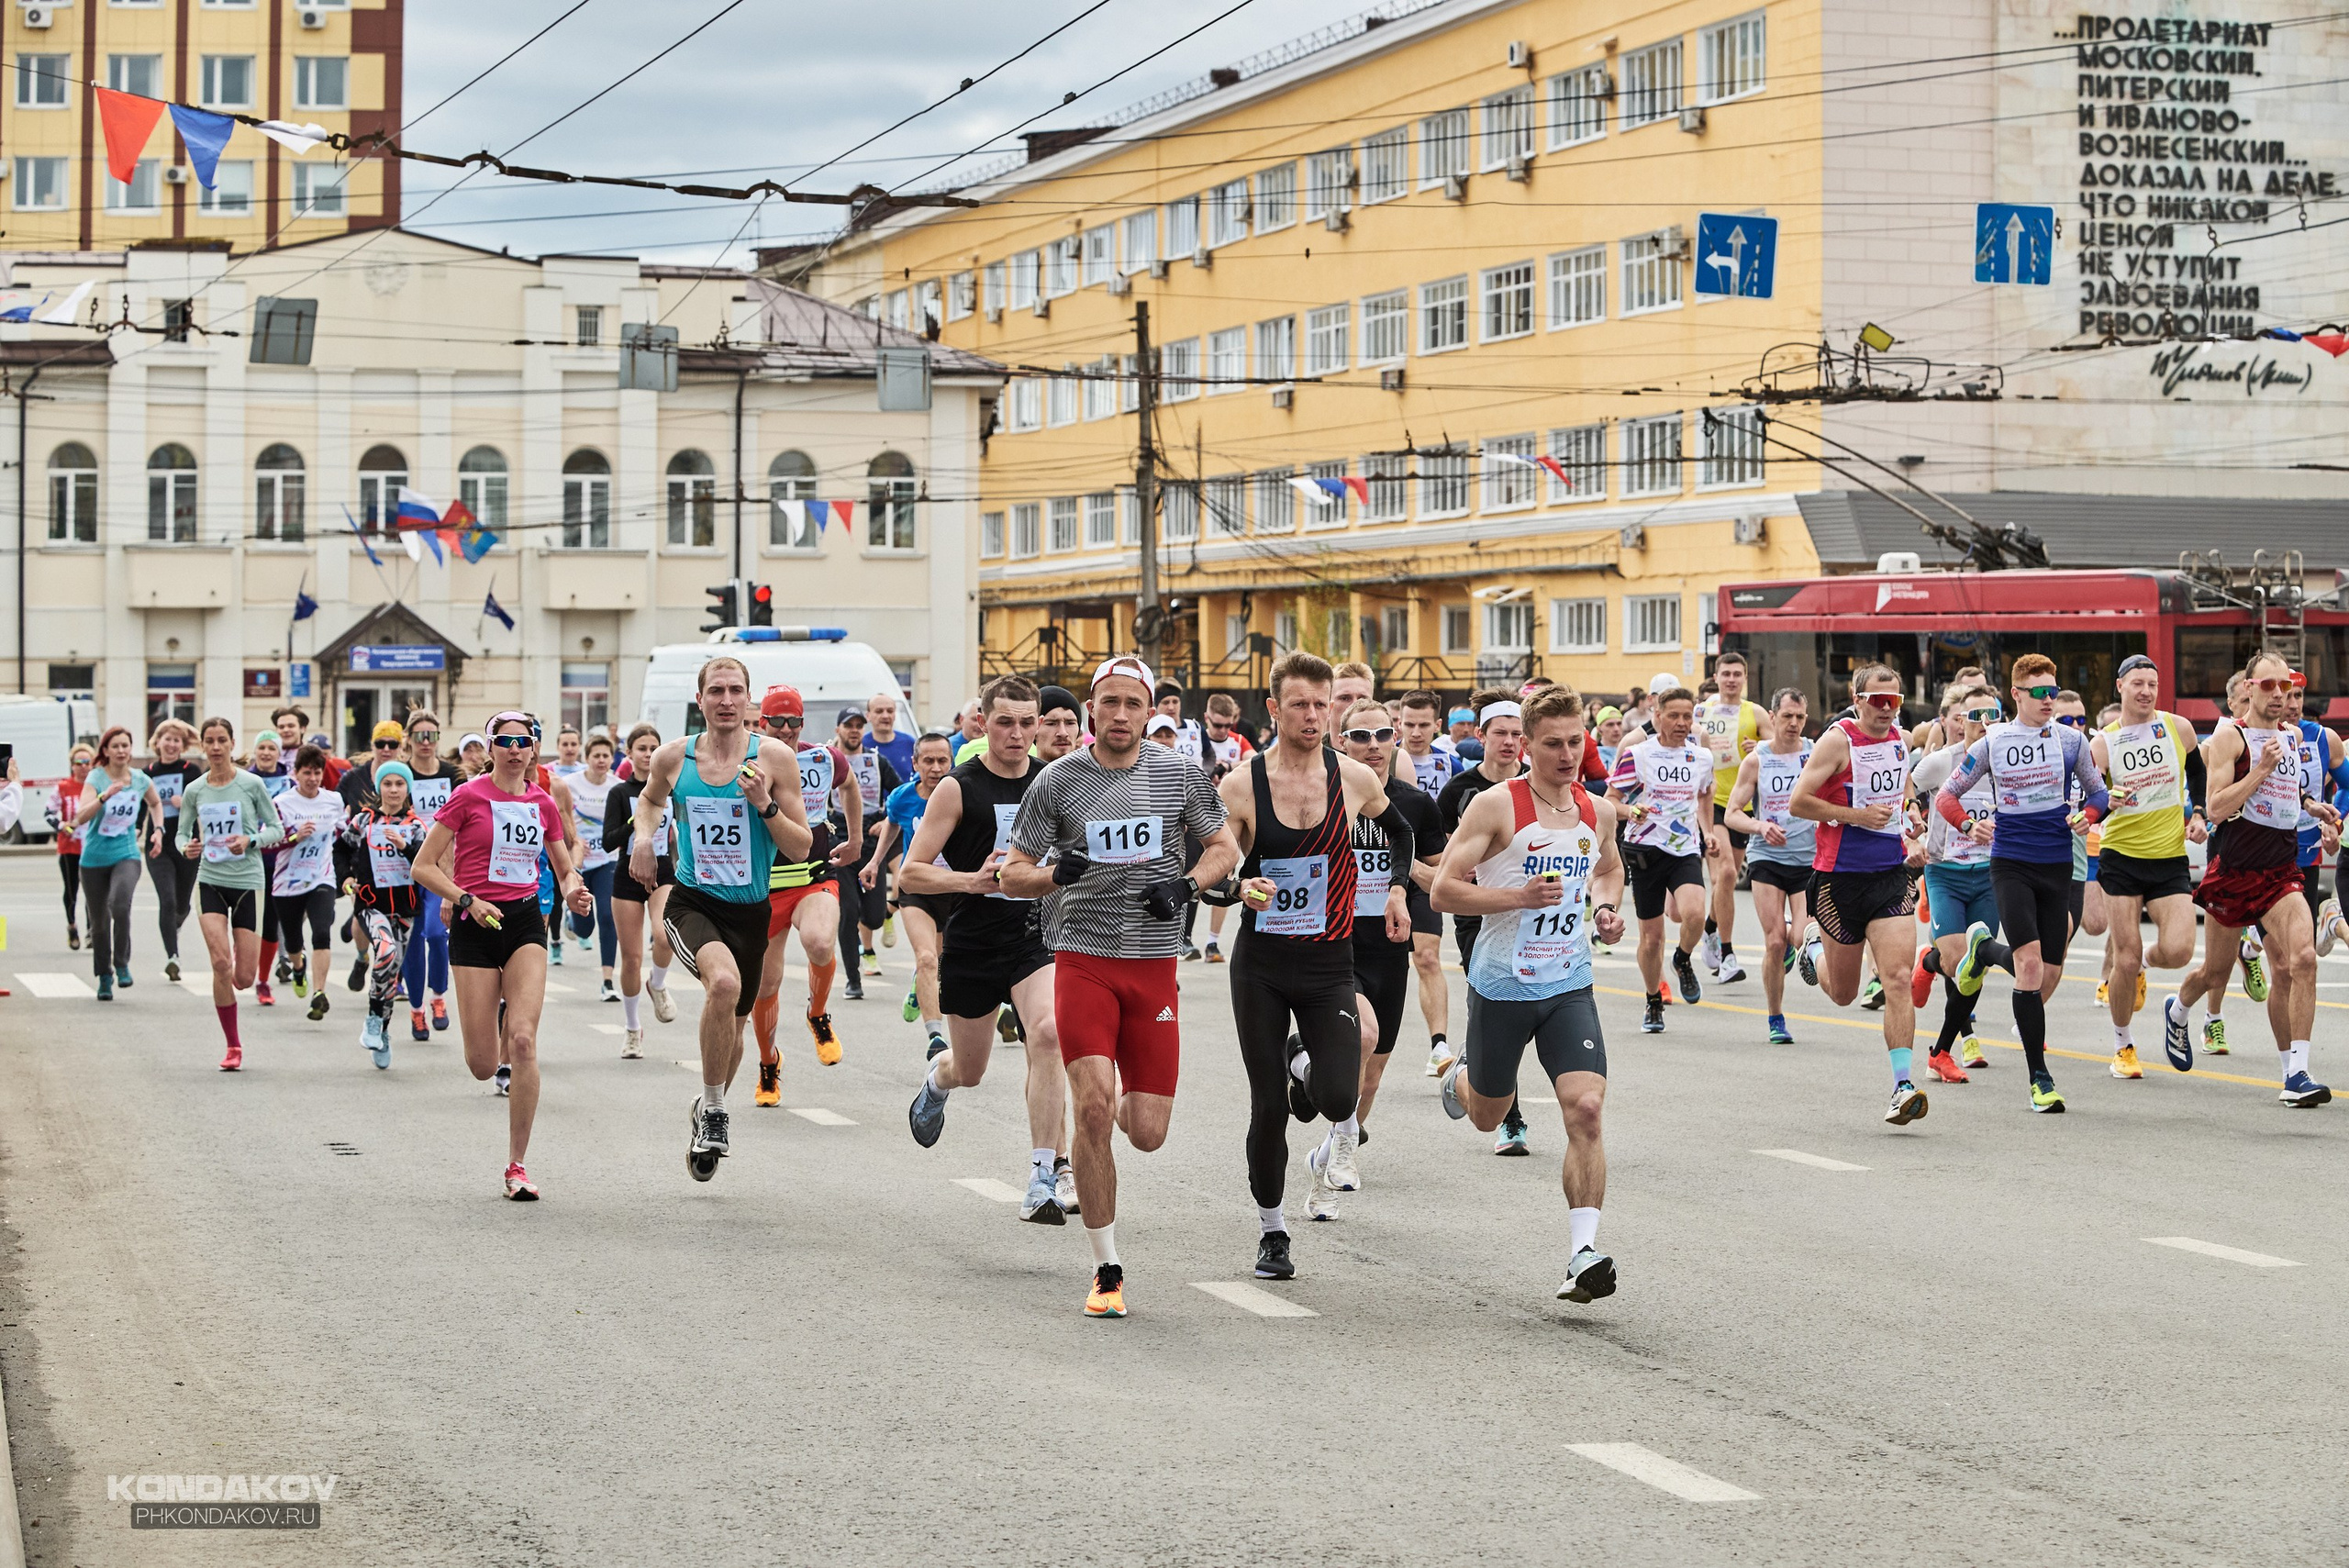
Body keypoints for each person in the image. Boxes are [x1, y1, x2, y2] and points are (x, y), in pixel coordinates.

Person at [999, 654, 1240, 1318]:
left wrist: (1187, 884)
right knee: (1096, 1109)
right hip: (1083, 959)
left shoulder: (1179, 774)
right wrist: (1055, 874)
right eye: (1110, 703)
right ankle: (1107, 1266)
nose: (1123, 715)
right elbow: (1011, 871)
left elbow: (1225, 848)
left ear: (1150, 710)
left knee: (1149, 1131)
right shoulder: (1058, 781)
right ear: (1091, 711)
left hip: (1154, 964)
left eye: (1135, 704)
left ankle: (1115, 1105)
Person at [1215, 654, 1412, 1274]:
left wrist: (1401, 888)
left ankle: (1307, 1065)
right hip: (1262, 964)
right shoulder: (1242, 784)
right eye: (1300, 703)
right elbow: (1214, 866)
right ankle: (1273, 1231)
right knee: (1268, 1102)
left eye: (1322, 704)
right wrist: (1235, 889)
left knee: (1335, 1093)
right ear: (1274, 709)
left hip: (1330, 959)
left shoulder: (1352, 777)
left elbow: (1401, 834)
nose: (1312, 715)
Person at [1433, 683, 1629, 1305]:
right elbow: (1442, 891)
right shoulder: (1496, 806)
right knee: (1489, 1112)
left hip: (1569, 982)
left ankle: (1583, 1251)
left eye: (1577, 741)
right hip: (1500, 984)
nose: (1568, 754)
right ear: (1526, 744)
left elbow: (1609, 865)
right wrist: (1517, 896)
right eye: (1553, 743)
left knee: (1587, 1110)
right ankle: (1459, 1081)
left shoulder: (1597, 809)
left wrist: (1605, 910)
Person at [901, 678, 1078, 1224]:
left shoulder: (1057, 782)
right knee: (970, 1069)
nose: (1020, 734)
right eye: (1007, 722)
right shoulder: (959, 788)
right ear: (982, 721)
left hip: (1035, 935)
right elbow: (911, 872)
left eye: (1030, 722)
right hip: (974, 942)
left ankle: (1044, 1175)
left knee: (1048, 1035)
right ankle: (938, 1079)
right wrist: (972, 883)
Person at [630, 659, 811, 1179]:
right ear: (701, 698)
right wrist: (644, 839)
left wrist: (765, 806)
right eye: (717, 691)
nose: (726, 700)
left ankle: (707, 1106)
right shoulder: (673, 757)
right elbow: (648, 803)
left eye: (736, 691)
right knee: (724, 984)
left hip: (751, 909)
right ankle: (714, 1110)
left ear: (749, 700)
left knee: (734, 1036)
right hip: (693, 902)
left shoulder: (773, 758)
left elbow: (799, 850)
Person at [415, 713, 594, 1199]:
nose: (515, 749)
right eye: (505, 741)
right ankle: (496, 1010)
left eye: (524, 741)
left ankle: (517, 1165)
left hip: (523, 921)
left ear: (534, 749)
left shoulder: (542, 802)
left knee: (523, 1042)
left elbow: (563, 867)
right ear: (491, 748)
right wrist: (466, 899)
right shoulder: (468, 796)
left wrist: (575, 891)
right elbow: (423, 866)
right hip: (475, 924)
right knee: (480, 1065)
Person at [1937, 654, 2111, 1114]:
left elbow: (2099, 793)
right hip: (2011, 863)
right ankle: (2039, 1078)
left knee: (2049, 971)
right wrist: (1969, 826)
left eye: (2053, 691)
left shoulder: (2072, 741)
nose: (2049, 700)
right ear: (2016, 694)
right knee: (2030, 967)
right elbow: (1945, 796)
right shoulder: (1994, 741)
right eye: (2039, 692)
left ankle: (1982, 953)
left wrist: (2088, 815)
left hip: (2058, 866)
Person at [2160, 651, 2331, 1106]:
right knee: (2215, 973)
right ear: (2249, 690)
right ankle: (2178, 1010)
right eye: (2269, 686)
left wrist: (2314, 808)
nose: (2280, 695)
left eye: (2287, 686)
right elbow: (2214, 808)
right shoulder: (2229, 736)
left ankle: (2297, 1073)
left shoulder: (2291, 737)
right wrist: (2259, 770)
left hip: (2281, 872)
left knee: (2303, 960)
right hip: (2235, 870)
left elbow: (2289, 794)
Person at [1789, 665, 1932, 1127]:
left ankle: (1902, 1085)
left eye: (1895, 701)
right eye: (1877, 700)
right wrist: (1854, 816)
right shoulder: (1837, 741)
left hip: (1889, 875)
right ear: (1857, 697)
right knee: (1844, 995)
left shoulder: (1900, 739)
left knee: (1896, 978)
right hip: (1838, 880)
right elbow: (1798, 802)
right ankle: (1814, 947)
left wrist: (1910, 811)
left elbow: (1903, 783)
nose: (1886, 709)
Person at [1333, 698, 1444, 1192]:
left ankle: (1345, 1138)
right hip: (1335, 940)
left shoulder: (1416, 805)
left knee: (1374, 1070)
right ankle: (1339, 1147)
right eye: (1361, 736)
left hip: (1389, 943)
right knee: (1363, 1035)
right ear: (1342, 742)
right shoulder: (1324, 795)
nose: (1373, 745)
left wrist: (1407, 871)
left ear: (1395, 737)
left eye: (1382, 734)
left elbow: (1441, 875)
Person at [2089, 656, 2208, 1078]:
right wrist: (2106, 803)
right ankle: (2123, 1045)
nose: (2146, 691)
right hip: (2121, 856)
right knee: (2124, 957)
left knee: (2179, 950)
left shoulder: (2178, 728)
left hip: (2168, 855)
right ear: (2120, 686)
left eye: (2152, 684)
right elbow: (2088, 803)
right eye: (2137, 683)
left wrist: (2199, 814)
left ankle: (2142, 967)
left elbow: (2197, 772)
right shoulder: (2104, 742)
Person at [748, 684, 860, 1106]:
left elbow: (848, 787)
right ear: (763, 723)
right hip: (763, 887)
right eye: (778, 721)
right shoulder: (747, 761)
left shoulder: (822, 757)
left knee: (818, 941)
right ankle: (768, 1064)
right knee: (766, 985)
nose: (788, 730)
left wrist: (852, 840)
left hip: (813, 875)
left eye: (795, 721)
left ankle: (817, 1013)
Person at [1436, 691, 1533, 1149]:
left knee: (1530, 1009)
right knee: (1492, 1005)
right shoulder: (1460, 791)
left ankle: (1469, 1067)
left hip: (1532, 916)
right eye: (1502, 734)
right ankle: (1509, 1116)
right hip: (1477, 914)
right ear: (1482, 737)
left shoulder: (1538, 786)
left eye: (1518, 735)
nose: (1511, 743)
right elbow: (1433, 848)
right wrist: (1455, 866)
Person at [176, 717, 286, 1071]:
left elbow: (277, 829)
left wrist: (250, 841)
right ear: (203, 746)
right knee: (220, 963)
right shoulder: (195, 790)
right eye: (209, 741)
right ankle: (233, 1045)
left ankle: (243, 954)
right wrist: (186, 848)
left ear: (231, 743)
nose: (216, 747)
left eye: (222, 740)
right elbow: (181, 834)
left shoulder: (251, 784)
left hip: (248, 882)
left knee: (243, 978)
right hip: (210, 878)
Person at [1904, 684, 2000, 1079]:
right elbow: (1903, 784)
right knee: (1957, 959)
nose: (1985, 724)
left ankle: (1940, 1053)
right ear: (1961, 722)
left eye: (1994, 716)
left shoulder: (2007, 761)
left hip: (1990, 874)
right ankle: (1931, 961)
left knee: (1973, 965)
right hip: (1945, 872)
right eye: (1976, 716)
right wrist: (1913, 823)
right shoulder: (1944, 762)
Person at [1607, 685, 1714, 1034]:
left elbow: (1705, 795)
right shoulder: (1638, 755)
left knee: (1695, 913)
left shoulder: (1701, 757)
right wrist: (1629, 810)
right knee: (1651, 939)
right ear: (1657, 716)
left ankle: (1682, 958)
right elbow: (1610, 801)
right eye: (1674, 716)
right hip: (1645, 850)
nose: (1682, 723)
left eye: (1688, 716)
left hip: (1684, 848)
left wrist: (1708, 830)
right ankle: (1653, 999)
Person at [1721, 687, 1817, 1045]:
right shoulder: (1757, 760)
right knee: (1775, 942)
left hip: (1809, 858)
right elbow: (1732, 815)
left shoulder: (1815, 753)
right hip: (1767, 857)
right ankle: (1776, 1017)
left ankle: (1796, 939)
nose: (1793, 724)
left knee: (1799, 936)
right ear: (1773, 718)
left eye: (1800, 717)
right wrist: (1761, 825)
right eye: (1787, 716)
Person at [336, 761, 425, 1069]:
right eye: (388, 784)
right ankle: (374, 1018)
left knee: (390, 974)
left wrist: (406, 848)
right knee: (384, 953)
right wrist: (346, 877)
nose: (394, 790)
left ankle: (382, 1030)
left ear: (407, 789)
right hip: (371, 903)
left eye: (400, 784)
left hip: (404, 907)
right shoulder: (364, 820)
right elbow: (341, 849)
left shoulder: (416, 827)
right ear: (379, 788)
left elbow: (428, 864)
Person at [870, 730, 956, 1051]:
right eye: (928, 761)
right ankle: (936, 1037)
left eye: (942, 760)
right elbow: (892, 823)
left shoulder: (961, 794)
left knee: (942, 962)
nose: (935, 768)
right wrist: (876, 862)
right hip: (917, 888)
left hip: (953, 887)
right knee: (925, 958)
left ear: (952, 761)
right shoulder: (904, 796)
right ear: (915, 763)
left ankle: (919, 987)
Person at [602, 723, 677, 1057]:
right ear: (629, 753)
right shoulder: (620, 793)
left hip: (663, 870)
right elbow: (608, 841)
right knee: (630, 958)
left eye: (653, 748)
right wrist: (639, 818)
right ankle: (632, 1029)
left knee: (664, 936)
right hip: (627, 871)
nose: (648, 754)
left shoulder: (672, 789)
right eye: (642, 748)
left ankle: (657, 984)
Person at [72, 727, 163, 1000]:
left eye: (126, 745)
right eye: (116, 746)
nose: (121, 751)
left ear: (130, 749)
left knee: (120, 904)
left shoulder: (139, 779)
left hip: (126, 854)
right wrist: (104, 796)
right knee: (99, 923)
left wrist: (158, 830)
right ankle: (104, 975)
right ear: (106, 751)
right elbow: (81, 816)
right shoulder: (96, 777)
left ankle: (121, 963)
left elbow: (156, 803)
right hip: (94, 859)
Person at [1694, 652, 1767, 984]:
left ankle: (1710, 926)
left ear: (1745, 677)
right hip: (1712, 802)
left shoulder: (1755, 712)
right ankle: (1727, 954)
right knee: (1724, 873)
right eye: (1726, 674)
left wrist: (1760, 745)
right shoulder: (1704, 711)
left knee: (1728, 876)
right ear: (1717, 676)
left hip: (1744, 806)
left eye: (1738, 674)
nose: (1732, 679)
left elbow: (1781, 743)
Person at [271, 745, 347, 1022]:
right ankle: (298, 967)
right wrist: (294, 837)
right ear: (295, 774)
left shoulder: (333, 800)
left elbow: (341, 831)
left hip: (321, 878)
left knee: (322, 932)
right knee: (293, 941)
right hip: (287, 882)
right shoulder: (282, 803)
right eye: (307, 773)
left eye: (317, 773)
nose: (312, 779)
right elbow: (269, 841)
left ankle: (319, 993)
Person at [834, 706, 901, 985]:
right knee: (848, 913)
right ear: (838, 729)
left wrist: (885, 819)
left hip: (872, 842)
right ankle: (853, 978)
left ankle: (876, 923)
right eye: (849, 725)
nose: (854, 731)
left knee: (873, 918)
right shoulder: (830, 760)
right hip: (839, 838)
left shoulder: (877, 761)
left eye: (859, 726)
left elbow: (898, 795)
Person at [143, 719, 202, 983]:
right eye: (167, 739)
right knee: (166, 900)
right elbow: (139, 806)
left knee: (182, 903)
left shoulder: (192, 771)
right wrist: (134, 829)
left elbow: (208, 803)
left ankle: (176, 922)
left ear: (183, 745)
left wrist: (186, 804)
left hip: (188, 844)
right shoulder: (147, 773)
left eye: (177, 740)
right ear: (158, 742)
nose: (171, 744)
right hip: (159, 845)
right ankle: (172, 957)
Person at [567, 734, 621, 1000]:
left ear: (612, 759)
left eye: (606, 756)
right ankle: (572, 920)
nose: (601, 760)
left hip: (606, 861)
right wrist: (572, 840)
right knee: (584, 928)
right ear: (586, 758)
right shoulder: (569, 784)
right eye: (596, 755)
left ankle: (608, 981)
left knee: (608, 916)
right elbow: (558, 818)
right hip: (576, 863)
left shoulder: (617, 786)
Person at [50, 743, 94, 949]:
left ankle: (91, 930)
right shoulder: (63, 787)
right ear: (72, 765)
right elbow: (49, 813)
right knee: (71, 889)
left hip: (92, 846)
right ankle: (72, 926)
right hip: (70, 847)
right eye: (79, 762)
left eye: (87, 762)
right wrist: (61, 825)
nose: (83, 767)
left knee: (93, 890)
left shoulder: (96, 786)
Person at [863, 689, 917, 788]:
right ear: (868, 716)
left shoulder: (910, 743)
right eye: (879, 711)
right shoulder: (861, 745)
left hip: (903, 802)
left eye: (890, 711)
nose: (885, 716)